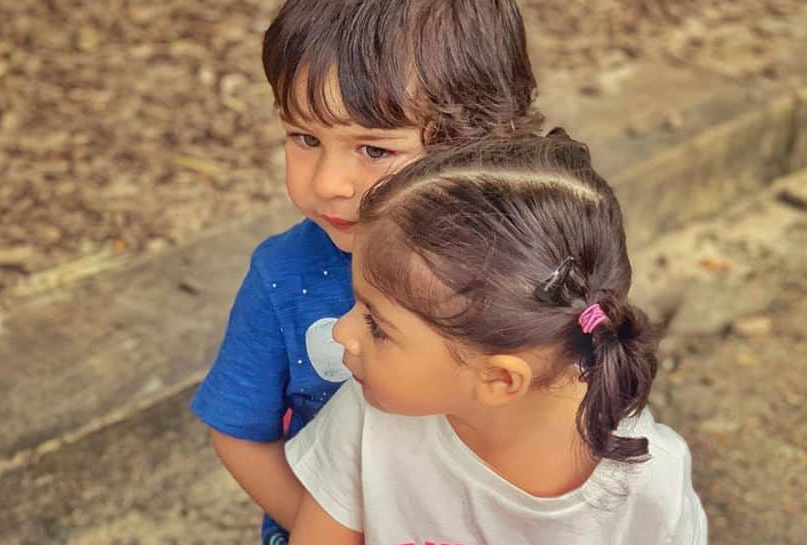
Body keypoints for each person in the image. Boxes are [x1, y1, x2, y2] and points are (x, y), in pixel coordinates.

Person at [189, 1, 543, 544]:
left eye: (374, 149)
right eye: (305, 138)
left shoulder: (525, 263)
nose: (329, 181)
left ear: (477, 139)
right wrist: (333, 531)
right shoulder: (282, 276)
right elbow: (239, 434)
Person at [284, 131, 709, 545]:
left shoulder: (650, 486)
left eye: (377, 324)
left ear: (499, 380)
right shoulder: (368, 416)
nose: (342, 331)